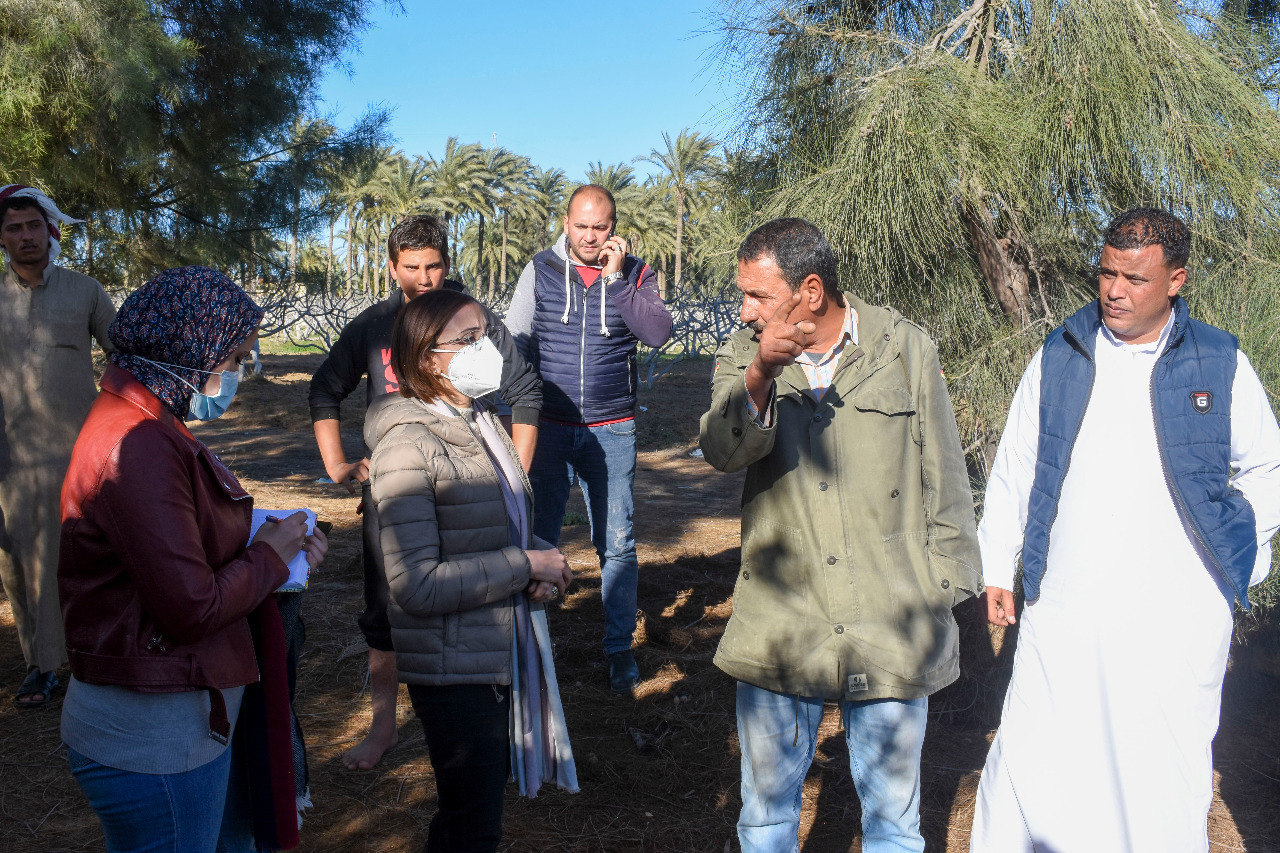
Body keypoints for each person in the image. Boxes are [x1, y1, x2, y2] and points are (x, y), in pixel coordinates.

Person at [970, 208, 1280, 852]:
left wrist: (1234, 552)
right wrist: (997, 562)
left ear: (1176, 281)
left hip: (1177, 614)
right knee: (1036, 749)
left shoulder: (1219, 361)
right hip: (1068, 603)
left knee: (1159, 765)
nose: (1114, 291)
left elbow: (1268, 468)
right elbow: (1018, 462)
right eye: (1107, 273)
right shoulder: (1063, 351)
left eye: (1134, 279)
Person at [698, 218, 981, 853]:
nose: (745, 311)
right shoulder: (742, 354)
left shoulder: (903, 348)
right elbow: (721, 451)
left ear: (811, 291)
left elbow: (945, 473)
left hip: (890, 618)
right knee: (765, 821)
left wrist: (944, 585)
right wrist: (760, 375)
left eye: (758, 296)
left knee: (893, 827)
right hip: (780, 621)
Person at [58, 266, 328, 852]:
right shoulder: (138, 444)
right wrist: (269, 557)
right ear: (189, 350)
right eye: (232, 359)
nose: (236, 375)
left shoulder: (150, 423)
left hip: (176, 717)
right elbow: (190, 607)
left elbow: (172, 544)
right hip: (154, 736)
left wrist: (274, 546)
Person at [309, 214, 541, 770]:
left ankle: (495, 726)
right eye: (411, 267)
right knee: (385, 613)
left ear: (447, 264)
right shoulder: (373, 326)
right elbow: (324, 389)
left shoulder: (473, 319)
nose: (423, 278)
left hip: (471, 498)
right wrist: (338, 465)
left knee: (481, 598)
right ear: (392, 267)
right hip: (400, 492)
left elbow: (526, 392)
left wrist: (512, 481)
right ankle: (383, 728)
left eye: (433, 266)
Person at [365, 288, 576, 852]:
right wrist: (522, 564)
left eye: (485, 334)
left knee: (471, 820)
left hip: (490, 649)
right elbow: (414, 584)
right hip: (453, 667)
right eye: (467, 339)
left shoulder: (480, 423)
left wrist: (541, 563)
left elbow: (490, 525)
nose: (487, 349)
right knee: (472, 827)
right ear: (427, 358)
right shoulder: (408, 446)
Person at [506, 184, 673, 693]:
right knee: (537, 536)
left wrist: (617, 280)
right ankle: (530, 645)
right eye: (581, 226)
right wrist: (513, 413)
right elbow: (516, 342)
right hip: (549, 429)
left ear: (614, 229)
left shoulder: (636, 274)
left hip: (612, 429)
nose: (590, 236)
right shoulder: (540, 269)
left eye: (600, 227)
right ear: (565, 223)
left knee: (617, 543)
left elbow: (657, 333)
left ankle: (619, 650)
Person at [0, 184, 116, 709]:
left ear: (49, 231)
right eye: (13, 228)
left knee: (65, 558)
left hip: (74, 453)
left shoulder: (85, 291)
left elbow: (124, 356)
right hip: (9, 458)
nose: (26, 236)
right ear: (2, 238)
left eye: (33, 225)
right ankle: (41, 658)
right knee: (16, 562)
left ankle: (56, 664)